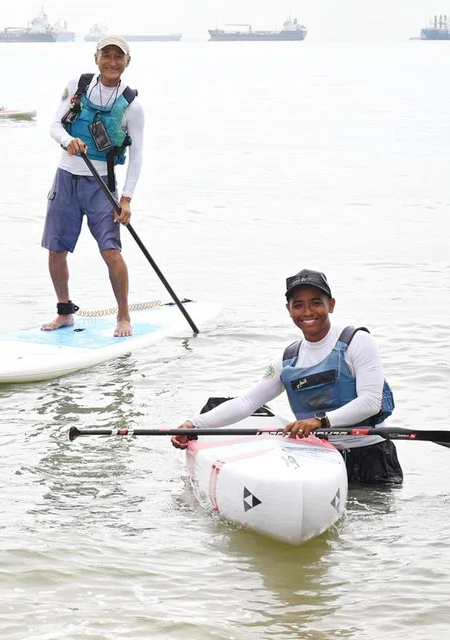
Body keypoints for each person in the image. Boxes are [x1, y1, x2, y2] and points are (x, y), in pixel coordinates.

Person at [171, 269, 403, 484]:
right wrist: (194, 425)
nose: (308, 312)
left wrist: (318, 421)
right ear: (289, 310)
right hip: (322, 458)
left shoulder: (357, 341)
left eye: (316, 303)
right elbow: (246, 403)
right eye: (299, 305)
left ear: (331, 305)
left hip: (372, 455)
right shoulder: (287, 360)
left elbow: (371, 402)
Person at [41, 34, 145, 337]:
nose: (112, 62)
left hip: (102, 185)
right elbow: (55, 125)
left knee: (111, 252)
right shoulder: (78, 85)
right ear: (96, 58)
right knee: (56, 250)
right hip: (65, 177)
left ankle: (123, 317)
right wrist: (67, 140)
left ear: (127, 62)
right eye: (106, 55)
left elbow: (137, 155)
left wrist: (126, 199)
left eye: (118, 57)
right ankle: (64, 313)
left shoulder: (133, 105)